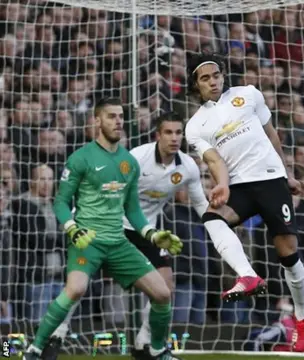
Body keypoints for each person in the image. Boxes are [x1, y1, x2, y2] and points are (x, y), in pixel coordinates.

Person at [42, 112, 219, 360]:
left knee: (165, 286)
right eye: (168, 132)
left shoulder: (187, 166)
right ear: (158, 135)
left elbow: (200, 202)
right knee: (78, 285)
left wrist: (218, 225)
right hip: (111, 225)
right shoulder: (137, 157)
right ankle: (57, 334)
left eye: (179, 132)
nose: (174, 138)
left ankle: (144, 344)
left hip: (146, 231)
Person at [23, 98, 183, 360]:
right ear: (97, 121)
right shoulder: (81, 158)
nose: (118, 121)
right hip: (87, 240)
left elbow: (132, 210)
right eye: (111, 116)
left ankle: (155, 350)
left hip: (118, 242)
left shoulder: (129, 163)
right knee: (75, 289)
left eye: (120, 116)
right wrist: (73, 229)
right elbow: (61, 202)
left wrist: (153, 235)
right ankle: (35, 349)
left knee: (163, 293)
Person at [184, 52, 304, 351]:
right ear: (195, 85)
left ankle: (302, 319)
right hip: (239, 185)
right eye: (205, 78)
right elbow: (213, 160)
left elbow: (271, 134)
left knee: (287, 252)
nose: (213, 81)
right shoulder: (195, 126)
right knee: (212, 218)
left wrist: (288, 174)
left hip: (270, 179)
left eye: (216, 75)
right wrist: (223, 185)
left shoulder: (248, 94)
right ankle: (248, 275)